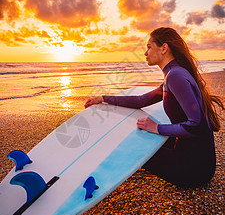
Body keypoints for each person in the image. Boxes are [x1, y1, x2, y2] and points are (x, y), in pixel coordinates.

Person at [85, 27, 224, 188]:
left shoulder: (175, 76)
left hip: (194, 170)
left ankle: (99, 182)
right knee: (143, 136)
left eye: (149, 47)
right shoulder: (174, 73)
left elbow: (197, 126)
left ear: (164, 48)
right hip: (200, 163)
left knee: (134, 147)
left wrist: (157, 128)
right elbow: (140, 100)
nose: (145, 53)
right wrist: (102, 98)